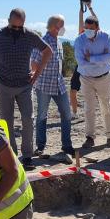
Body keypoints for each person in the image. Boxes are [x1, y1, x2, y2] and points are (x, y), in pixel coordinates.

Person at [0, 8, 52, 170]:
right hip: (3, 84)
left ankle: (27, 156)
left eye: (19, 27)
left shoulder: (30, 35)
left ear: (24, 23)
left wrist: (37, 72)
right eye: (14, 27)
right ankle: (11, 155)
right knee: (6, 122)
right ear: (8, 21)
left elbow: (47, 50)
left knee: (28, 119)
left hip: (25, 85)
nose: (17, 30)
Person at [30, 14, 75, 164]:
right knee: (42, 115)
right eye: (60, 25)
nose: (62, 28)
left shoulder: (60, 42)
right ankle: (40, 147)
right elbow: (34, 64)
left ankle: (67, 146)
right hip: (43, 85)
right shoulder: (41, 42)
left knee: (66, 114)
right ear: (52, 26)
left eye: (62, 25)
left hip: (59, 84)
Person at [74, 15, 110, 149]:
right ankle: (90, 137)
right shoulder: (79, 40)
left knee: (106, 106)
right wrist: (100, 59)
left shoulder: (106, 37)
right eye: (86, 28)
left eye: (90, 28)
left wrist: (91, 58)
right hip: (86, 78)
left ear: (97, 28)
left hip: (104, 77)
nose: (87, 31)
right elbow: (81, 61)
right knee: (89, 108)